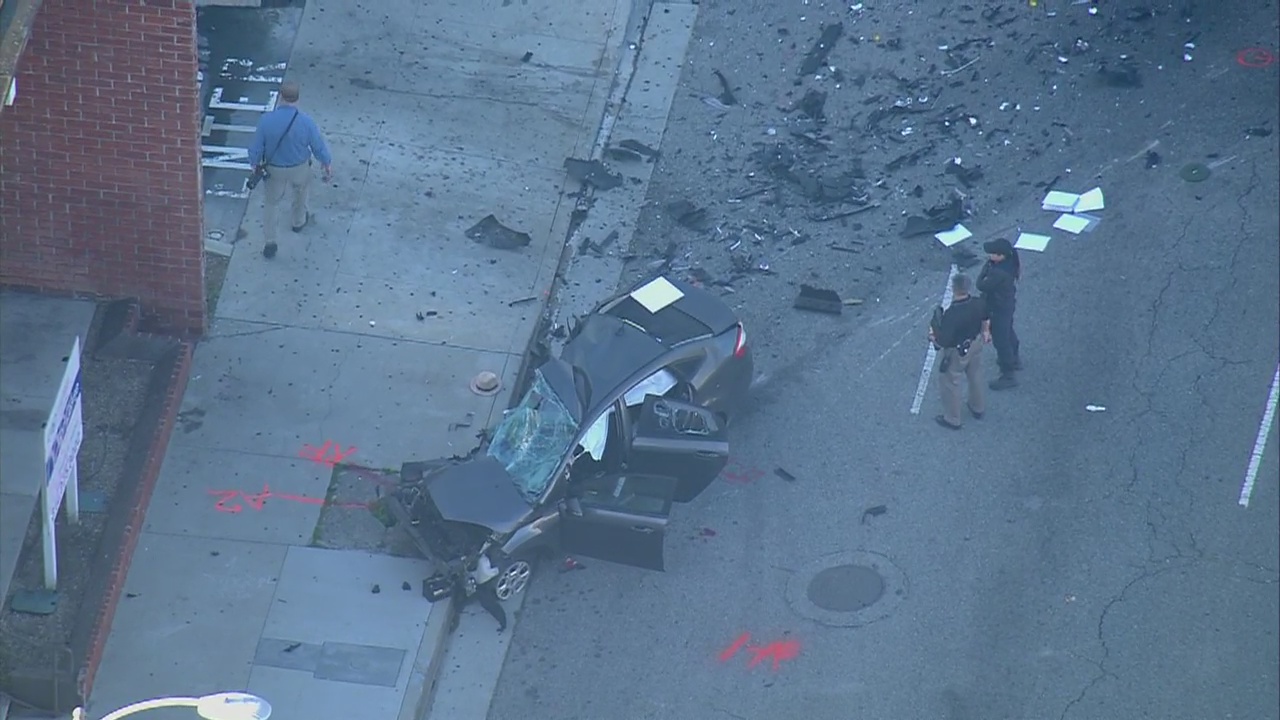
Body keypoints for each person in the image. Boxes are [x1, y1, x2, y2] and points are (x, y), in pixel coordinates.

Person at [248, 81, 333, 258]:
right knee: (301, 194)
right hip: (300, 167)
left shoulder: (266, 121)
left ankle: (270, 241)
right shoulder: (306, 122)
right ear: (297, 99)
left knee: (271, 204)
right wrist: (326, 162)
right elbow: (318, 146)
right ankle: (298, 222)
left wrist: (254, 164)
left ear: (280, 97)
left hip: (274, 170)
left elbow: (256, 148)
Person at [930, 273, 991, 430]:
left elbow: (944, 340)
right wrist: (985, 332)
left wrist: (933, 336)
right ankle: (978, 407)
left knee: (950, 382)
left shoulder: (952, 314)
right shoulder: (978, 302)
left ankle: (952, 418)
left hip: (958, 352)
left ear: (954, 289)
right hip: (975, 343)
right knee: (975, 375)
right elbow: (986, 317)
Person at [977, 237, 1022, 390]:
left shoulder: (998, 273)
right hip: (1007, 305)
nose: (990, 256)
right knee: (1008, 330)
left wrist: (985, 269)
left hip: (998, 308)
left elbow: (981, 285)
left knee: (1001, 341)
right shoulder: (1009, 265)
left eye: (992, 254)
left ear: (1001, 256)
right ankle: (1014, 358)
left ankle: (1008, 374)